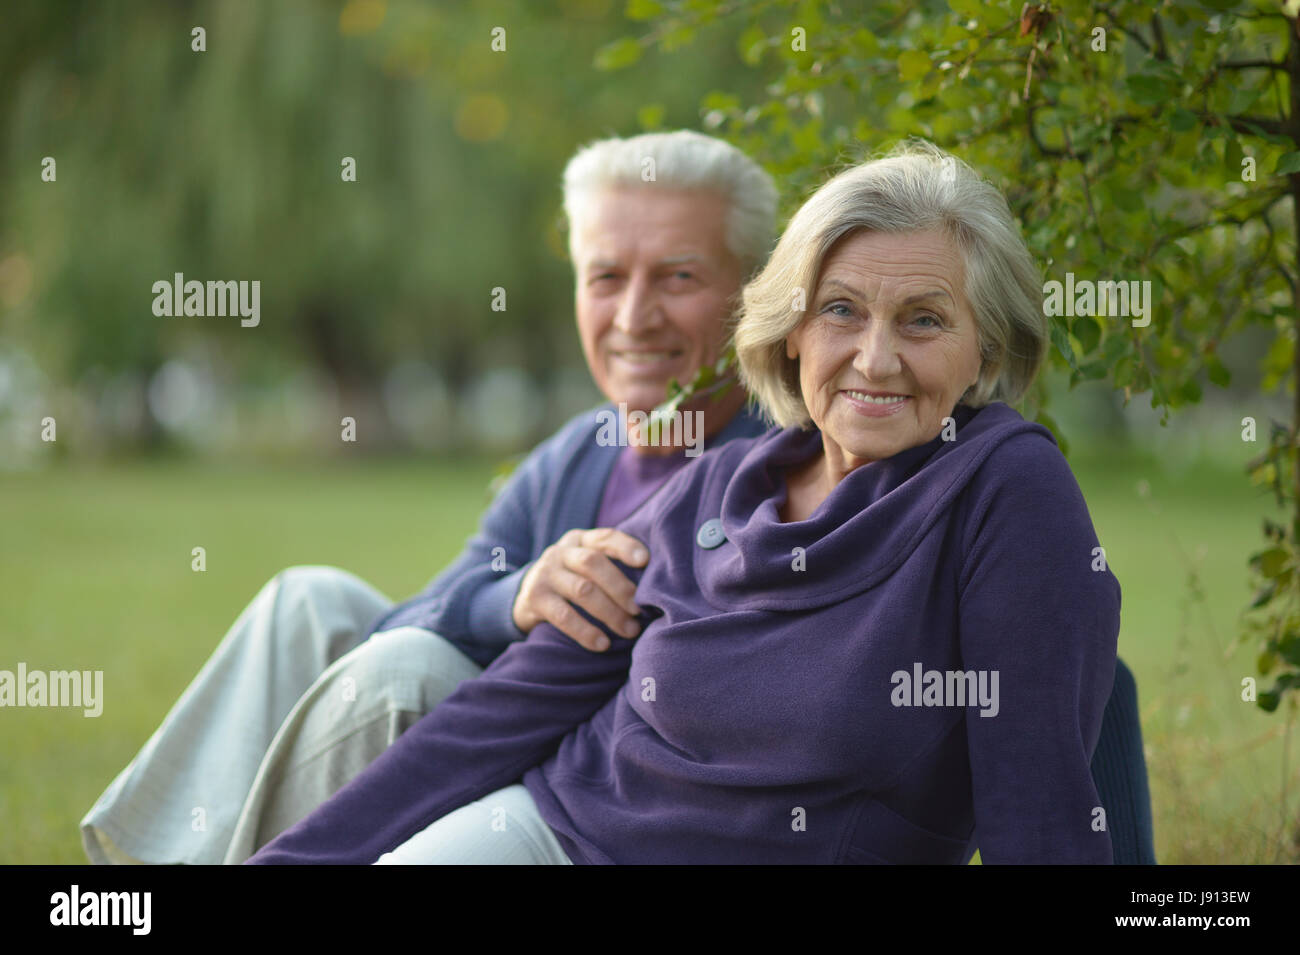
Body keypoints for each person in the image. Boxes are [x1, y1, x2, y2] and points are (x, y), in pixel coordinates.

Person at [247, 140, 1122, 865]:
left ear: (987, 347)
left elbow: (1037, 807)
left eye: (924, 320)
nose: (876, 357)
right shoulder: (714, 485)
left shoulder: (1003, 489)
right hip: (544, 838)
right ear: (790, 333)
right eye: (842, 311)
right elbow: (508, 706)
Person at [79, 130, 779, 865]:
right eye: (606, 277)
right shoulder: (579, 452)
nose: (635, 316)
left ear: (753, 290)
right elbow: (427, 605)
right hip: (485, 738)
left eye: (678, 277)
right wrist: (514, 598)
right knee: (307, 602)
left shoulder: (772, 472)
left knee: (401, 669)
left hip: (560, 792)